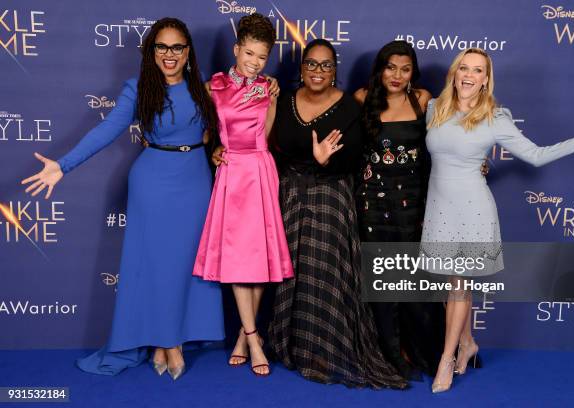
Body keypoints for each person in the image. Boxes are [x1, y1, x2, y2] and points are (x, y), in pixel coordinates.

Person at [21, 18, 224, 379]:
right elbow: (106, 129)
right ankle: (167, 343)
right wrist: (63, 166)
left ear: (188, 51)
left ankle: (172, 338)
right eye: (162, 47)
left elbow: (242, 110)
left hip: (195, 183)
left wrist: (267, 86)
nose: (170, 54)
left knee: (184, 265)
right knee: (156, 266)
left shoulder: (204, 89)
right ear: (151, 52)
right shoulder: (138, 89)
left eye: (177, 47)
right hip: (154, 184)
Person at [423, 47, 574, 393]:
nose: (469, 75)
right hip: (438, 207)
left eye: (478, 71)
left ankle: (446, 359)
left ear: (485, 80)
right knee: (451, 284)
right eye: (464, 67)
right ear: (454, 72)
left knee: (459, 284)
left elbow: (536, 156)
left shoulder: (495, 118)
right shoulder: (435, 108)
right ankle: (469, 344)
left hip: (473, 209)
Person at [266, 39, 406, 389]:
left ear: (334, 71)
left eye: (326, 65)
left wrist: (328, 160)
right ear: (301, 69)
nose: (317, 71)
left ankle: (324, 348)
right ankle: (293, 344)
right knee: (289, 273)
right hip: (287, 194)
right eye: (311, 64)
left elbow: (357, 157)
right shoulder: (281, 102)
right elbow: (263, 142)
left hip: (331, 192)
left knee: (323, 271)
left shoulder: (348, 107)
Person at [192, 13, 293, 377]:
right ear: (236, 49)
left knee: (261, 258)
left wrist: (273, 96)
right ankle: (253, 338)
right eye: (248, 53)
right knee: (237, 258)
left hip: (260, 169)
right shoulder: (212, 87)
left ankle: (241, 336)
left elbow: (265, 135)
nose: (254, 63)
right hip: (232, 172)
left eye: (261, 57)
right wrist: (214, 151)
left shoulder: (269, 88)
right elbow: (204, 134)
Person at [353, 40, 445, 380]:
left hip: (415, 202)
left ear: (413, 73)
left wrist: (475, 162)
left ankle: (422, 352)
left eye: (405, 69)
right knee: (382, 284)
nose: (397, 75)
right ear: (380, 68)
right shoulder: (362, 99)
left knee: (416, 284)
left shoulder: (422, 100)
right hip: (373, 203)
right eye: (391, 67)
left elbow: (449, 139)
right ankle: (390, 356)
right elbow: (343, 148)